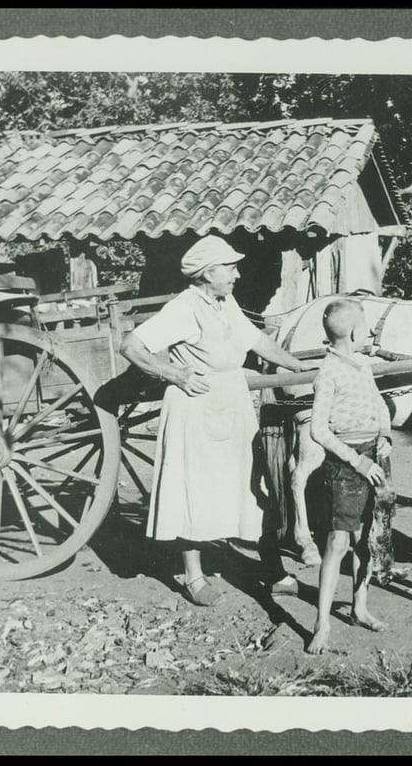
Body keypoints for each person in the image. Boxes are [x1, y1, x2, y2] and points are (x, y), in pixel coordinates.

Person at [119, 235, 315, 607]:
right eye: (230, 268)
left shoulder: (225, 302)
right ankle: (193, 576)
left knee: (250, 488)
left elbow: (255, 339)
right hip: (196, 408)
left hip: (232, 402)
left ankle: (273, 572)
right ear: (208, 273)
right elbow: (131, 345)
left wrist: (297, 366)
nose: (238, 274)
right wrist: (173, 374)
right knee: (195, 490)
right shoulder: (185, 308)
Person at [306, 299, 392, 654]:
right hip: (347, 466)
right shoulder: (329, 372)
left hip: (374, 457)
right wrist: (357, 462)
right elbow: (318, 430)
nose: (370, 330)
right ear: (353, 331)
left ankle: (359, 608)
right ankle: (322, 623)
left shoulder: (363, 365)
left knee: (367, 539)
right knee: (338, 543)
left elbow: (378, 404)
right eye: (366, 325)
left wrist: (385, 436)